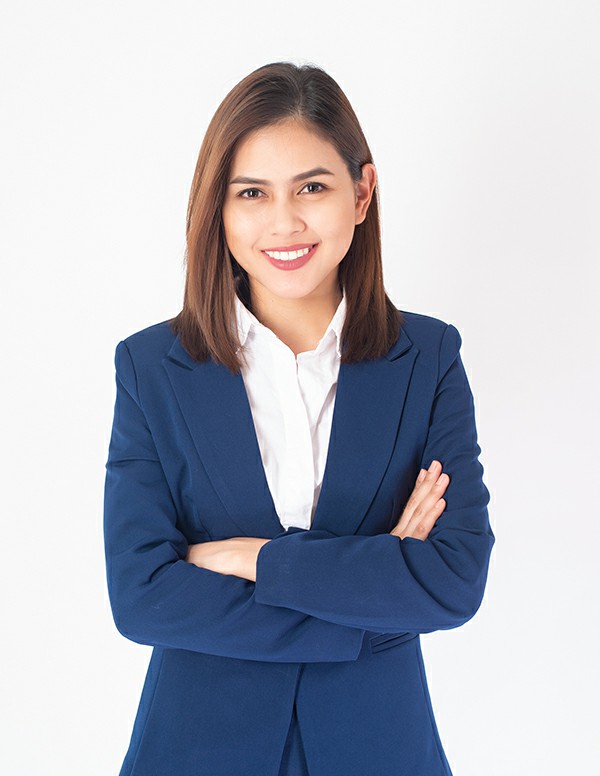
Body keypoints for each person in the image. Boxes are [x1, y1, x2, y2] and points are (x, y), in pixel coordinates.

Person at [103, 60, 495, 776]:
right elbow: (143, 599)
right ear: (218, 208)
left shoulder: (428, 357)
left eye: (312, 187)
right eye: (252, 192)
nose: (283, 221)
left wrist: (251, 559)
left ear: (361, 192)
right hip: (195, 750)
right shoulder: (152, 367)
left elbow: (452, 581)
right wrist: (373, 589)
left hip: (380, 749)